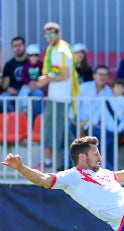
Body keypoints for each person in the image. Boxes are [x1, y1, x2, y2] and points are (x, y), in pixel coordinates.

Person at [36, 22, 80, 171]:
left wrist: (47, 79)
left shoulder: (61, 50)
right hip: (55, 97)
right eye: (46, 35)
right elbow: (54, 73)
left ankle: (68, 163)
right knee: (57, 130)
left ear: (58, 34)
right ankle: (57, 163)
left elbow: (65, 75)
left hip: (61, 98)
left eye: (51, 34)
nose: (48, 38)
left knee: (60, 132)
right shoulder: (52, 49)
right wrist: (46, 77)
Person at [76, 65, 114, 163]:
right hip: (78, 122)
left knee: (108, 136)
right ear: (94, 75)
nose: (102, 77)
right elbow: (74, 106)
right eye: (100, 74)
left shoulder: (109, 91)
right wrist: (75, 123)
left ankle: (104, 165)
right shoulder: (84, 87)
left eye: (105, 75)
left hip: (96, 125)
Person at [1, 36, 27, 112]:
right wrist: (8, 89)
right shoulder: (9, 64)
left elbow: (41, 77)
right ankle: (16, 118)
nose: (18, 48)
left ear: (24, 46)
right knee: (2, 99)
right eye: (15, 46)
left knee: (37, 94)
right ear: (12, 48)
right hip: (13, 92)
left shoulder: (31, 62)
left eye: (20, 45)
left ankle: (33, 121)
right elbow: (5, 84)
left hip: (28, 90)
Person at [18, 44, 45, 117]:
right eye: (31, 55)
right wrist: (29, 82)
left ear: (39, 56)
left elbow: (44, 75)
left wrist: (37, 83)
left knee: (39, 94)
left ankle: (39, 116)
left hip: (38, 86)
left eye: (36, 55)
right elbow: (23, 76)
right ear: (28, 57)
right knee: (23, 91)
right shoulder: (26, 65)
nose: (33, 57)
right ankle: (24, 107)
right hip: (28, 85)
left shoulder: (41, 65)